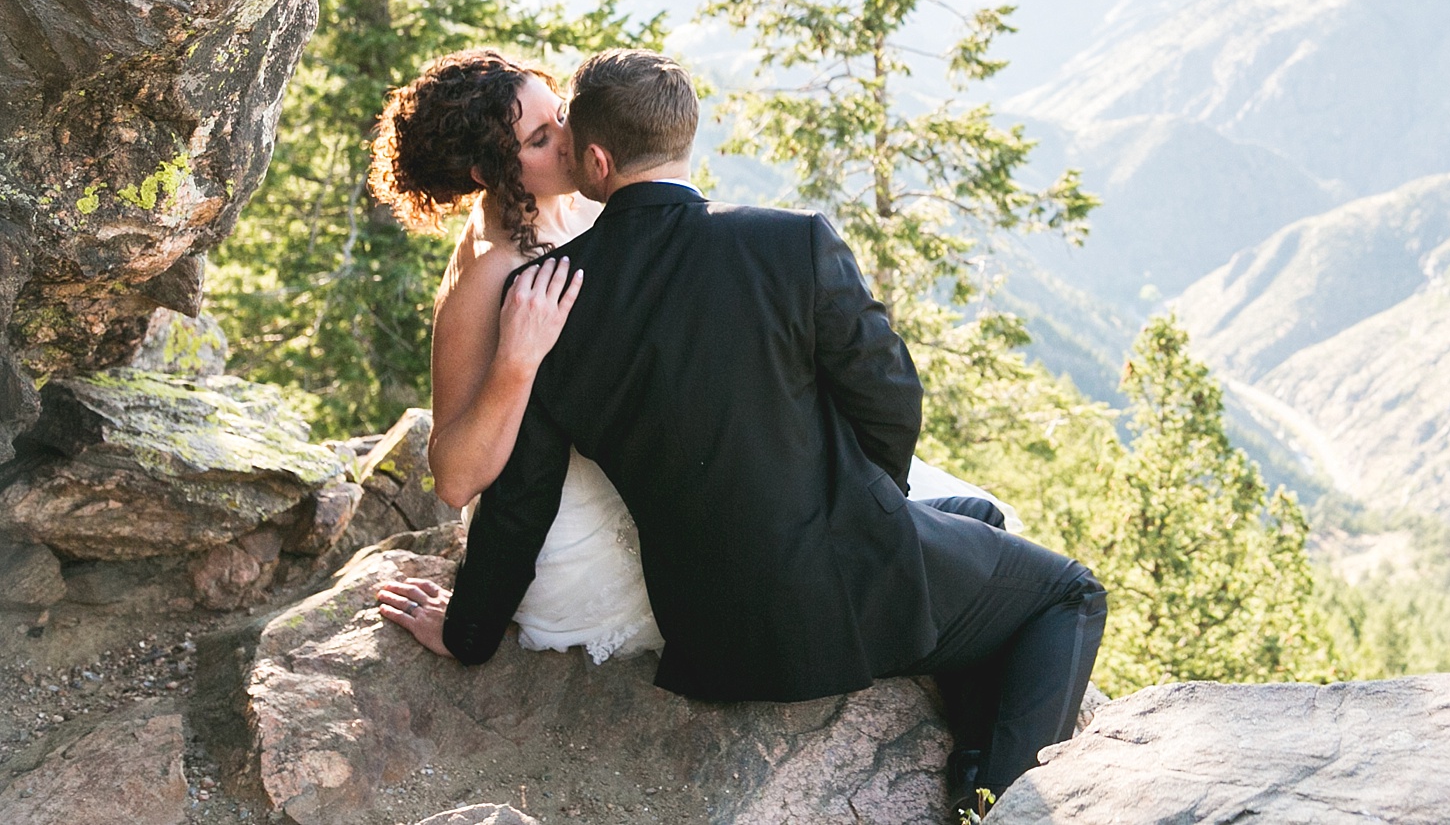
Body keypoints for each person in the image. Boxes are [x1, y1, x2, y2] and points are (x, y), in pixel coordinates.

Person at [374, 48, 1101, 809]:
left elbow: (527, 492)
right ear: (494, 167)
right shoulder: (520, 287)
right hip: (719, 550)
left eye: (557, 117)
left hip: (702, 588)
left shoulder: (557, 273)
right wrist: (860, 510)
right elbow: (889, 398)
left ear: (594, 153)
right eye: (536, 136)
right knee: (1068, 592)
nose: (558, 136)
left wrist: (470, 631)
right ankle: (994, 802)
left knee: (977, 519)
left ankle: (975, 768)